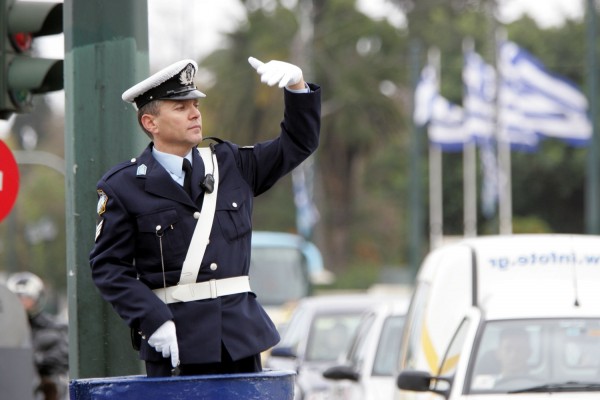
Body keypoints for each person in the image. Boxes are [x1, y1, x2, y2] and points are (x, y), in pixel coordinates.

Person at [89, 56, 321, 377]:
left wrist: (297, 88)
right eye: (180, 107)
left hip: (240, 339)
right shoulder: (124, 186)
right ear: (150, 123)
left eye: (195, 104)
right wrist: (151, 319)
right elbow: (108, 267)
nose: (195, 113)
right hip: (175, 341)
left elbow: (298, 143)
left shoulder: (231, 164)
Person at [7, 272, 69, 400]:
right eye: (17, 297)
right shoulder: (5, 331)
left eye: (26, 298)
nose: (21, 302)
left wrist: (36, 361)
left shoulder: (55, 329)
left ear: (37, 299)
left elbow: (61, 358)